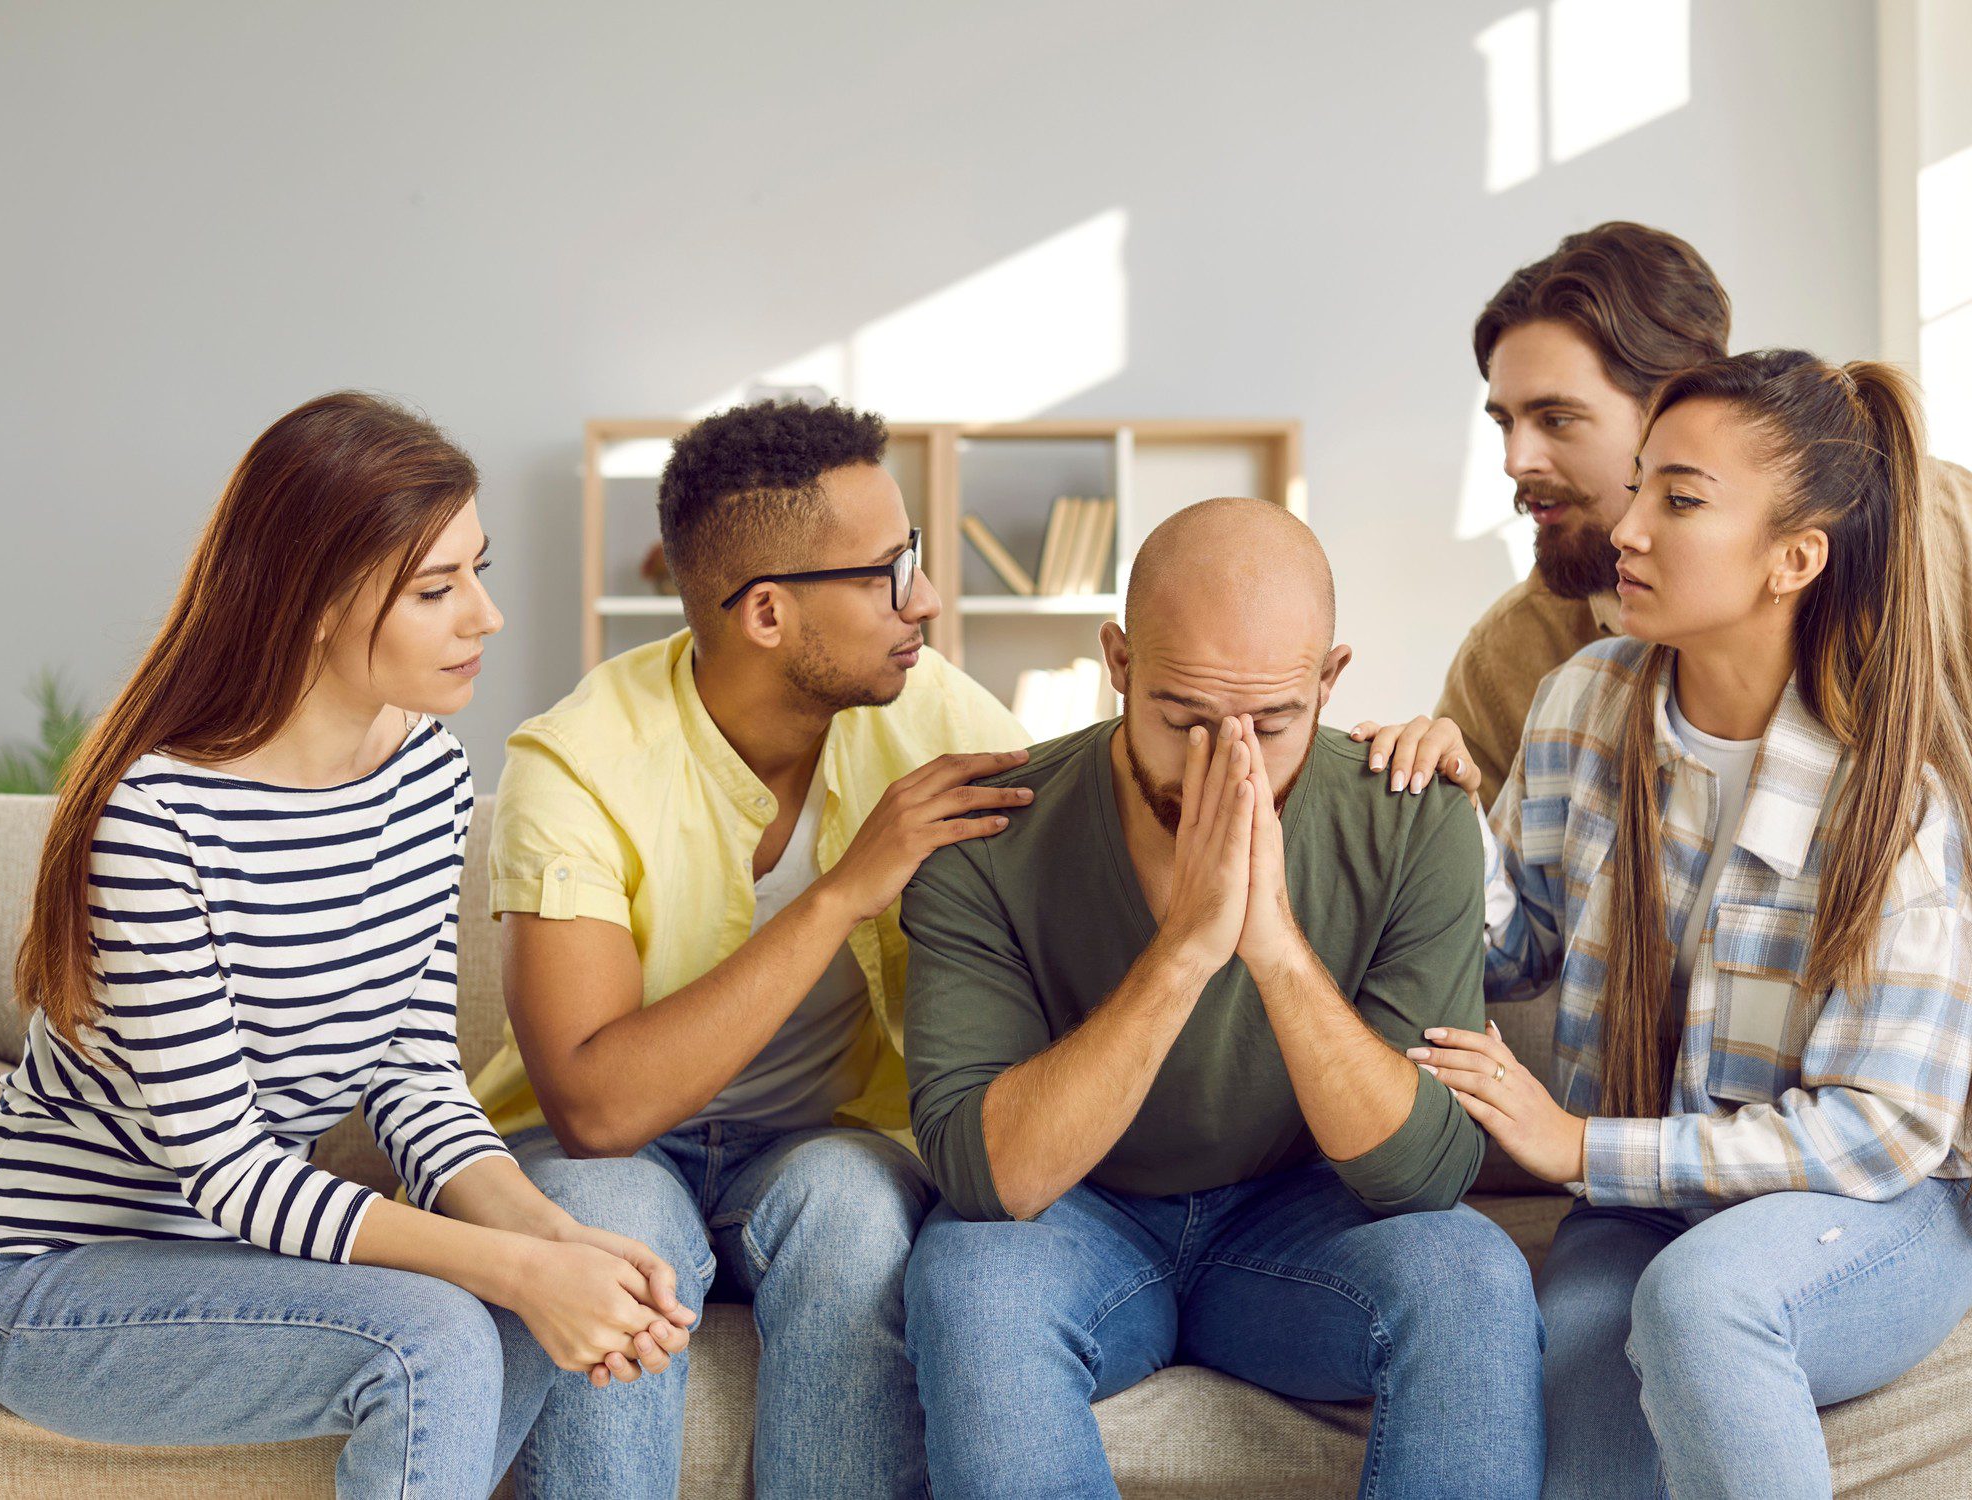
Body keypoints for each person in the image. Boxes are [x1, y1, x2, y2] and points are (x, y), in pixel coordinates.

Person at [0, 392, 695, 1498]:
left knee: (532, 1314)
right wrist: (518, 1267)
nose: (485, 617)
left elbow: (410, 1074)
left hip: (246, 1265)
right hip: (53, 1286)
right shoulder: (156, 817)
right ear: (311, 604)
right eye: (434, 589)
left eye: (478, 571)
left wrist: (559, 1247)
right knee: (446, 1333)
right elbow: (225, 1171)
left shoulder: (428, 777)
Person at [1391, 352, 1972, 1498]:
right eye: (1640, 485)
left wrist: (1574, 1147)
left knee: (1703, 1299)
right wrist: (1445, 817)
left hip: (1875, 1209)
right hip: (1642, 1199)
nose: (1630, 526)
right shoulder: (1584, 703)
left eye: (1680, 499)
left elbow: (1884, 1132)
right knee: (1577, 1367)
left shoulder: (1891, 802)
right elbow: (1510, 948)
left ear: (1792, 558)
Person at [898, 497, 1546, 1500]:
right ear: (1117, 661)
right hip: (1079, 1223)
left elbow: (1422, 1172)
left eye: (1271, 723)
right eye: (1181, 717)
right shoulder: (988, 836)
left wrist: (1275, 949)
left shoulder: (1412, 821)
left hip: (1299, 1228)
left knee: (1471, 1278)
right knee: (969, 1284)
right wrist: (1183, 953)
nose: (1225, 761)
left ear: (1330, 680)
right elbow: (989, 1178)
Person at [468, 399, 1029, 1497]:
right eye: (888, 569)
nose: (925, 598)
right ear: (766, 612)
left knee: (856, 1209)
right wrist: (840, 891)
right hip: (602, 1157)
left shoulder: (936, 717)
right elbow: (595, 1109)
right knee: (611, 1225)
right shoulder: (573, 764)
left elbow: (1114, 837)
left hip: (820, 1140)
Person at [1418, 222, 1972, 808]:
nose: (1514, 461)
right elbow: (1479, 888)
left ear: (1677, 404)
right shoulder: (1510, 662)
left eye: (1556, 419)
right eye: (1505, 423)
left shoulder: (1943, 526)